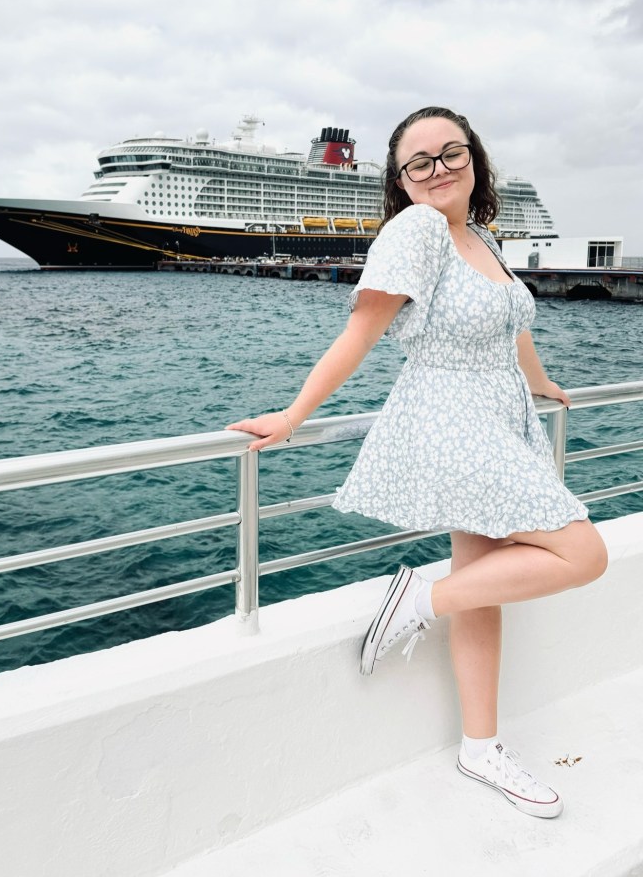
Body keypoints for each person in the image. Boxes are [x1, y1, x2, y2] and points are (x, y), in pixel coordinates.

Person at [227, 106, 608, 820]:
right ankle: (415, 602)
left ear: (475, 159)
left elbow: (511, 326)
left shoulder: (483, 237)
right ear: (400, 182)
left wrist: (542, 382)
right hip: (452, 421)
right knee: (583, 551)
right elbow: (360, 331)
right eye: (419, 162)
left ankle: (480, 745)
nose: (438, 169)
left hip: (500, 420)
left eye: (451, 153)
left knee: (483, 582)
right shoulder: (420, 230)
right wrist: (293, 414)